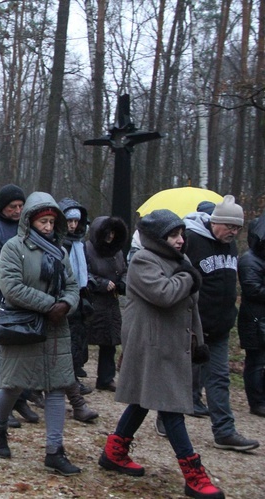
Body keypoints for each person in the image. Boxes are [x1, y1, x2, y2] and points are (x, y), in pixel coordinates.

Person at [98, 209, 225, 499]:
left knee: (144, 401)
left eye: (181, 234)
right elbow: (165, 294)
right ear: (157, 238)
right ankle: (194, 476)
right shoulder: (143, 260)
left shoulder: (181, 261)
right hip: (151, 347)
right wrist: (189, 278)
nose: (180, 240)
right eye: (173, 235)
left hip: (172, 346)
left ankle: (114, 451)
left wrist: (199, 343)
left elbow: (191, 309)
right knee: (170, 409)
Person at [0, 192, 81, 475]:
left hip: (56, 328)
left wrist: (66, 304)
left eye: (52, 221)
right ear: (30, 220)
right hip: (23, 326)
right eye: (44, 221)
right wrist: (49, 305)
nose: (49, 227)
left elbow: (72, 285)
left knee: (56, 387)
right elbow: (11, 286)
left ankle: (54, 450)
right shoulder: (13, 248)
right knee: (12, 385)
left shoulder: (60, 252)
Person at [184, 194, 259, 451]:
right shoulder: (191, 239)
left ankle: (224, 431)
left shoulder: (230, 245)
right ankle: (164, 417)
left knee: (219, 378)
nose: (234, 232)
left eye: (238, 228)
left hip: (221, 325)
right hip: (191, 324)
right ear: (217, 221)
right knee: (179, 375)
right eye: (230, 227)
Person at [0, 184, 39, 427]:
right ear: (3, 207)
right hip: (1, 301)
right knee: (2, 357)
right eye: (13, 206)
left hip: (27, 300)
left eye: (21, 206)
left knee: (26, 355)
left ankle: (21, 399)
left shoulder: (29, 229)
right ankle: (1, 404)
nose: (17, 210)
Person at [57, 198, 98, 422]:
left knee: (76, 341)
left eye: (76, 221)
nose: (73, 225)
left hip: (79, 296)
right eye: (69, 221)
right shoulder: (60, 243)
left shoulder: (79, 243)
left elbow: (83, 269)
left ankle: (73, 384)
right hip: (62, 298)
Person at [85, 215, 128, 392]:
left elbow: (124, 271)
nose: (110, 237)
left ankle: (106, 377)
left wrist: (122, 283)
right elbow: (83, 274)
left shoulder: (117, 252)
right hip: (92, 301)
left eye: (113, 233)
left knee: (110, 342)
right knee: (83, 340)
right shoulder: (86, 249)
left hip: (112, 301)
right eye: (107, 233)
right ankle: (75, 374)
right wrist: (102, 283)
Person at [238, 213, 265, 417]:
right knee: (255, 362)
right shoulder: (249, 260)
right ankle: (256, 402)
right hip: (254, 320)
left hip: (258, 318)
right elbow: (252, 290)